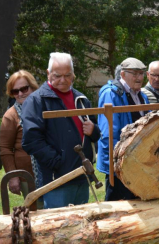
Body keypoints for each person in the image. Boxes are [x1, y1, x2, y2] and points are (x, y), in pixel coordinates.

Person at [22, 52, 100, 209]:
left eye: (67, 75)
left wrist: (93, 131)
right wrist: (58, 162)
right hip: (56, 180)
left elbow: (96, 132)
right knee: (59, 228)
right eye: (57, 76)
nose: (63, 80)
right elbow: (31, 140)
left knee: (82, 226)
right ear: (48, 73)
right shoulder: (36, 101)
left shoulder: (81, 99)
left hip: (82, 175)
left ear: (73, 75)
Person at [98, 58, 150, 201]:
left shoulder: (142, 95)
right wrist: (115, 165)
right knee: (117, 207)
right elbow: (108, 133)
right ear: (122, 74)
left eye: (141, 73)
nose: (139, 78)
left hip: (139, 161)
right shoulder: (111, 93)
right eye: (134, 73)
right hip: (119, 163)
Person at [0, 70, 40, 202]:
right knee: (36, 215)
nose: (20, 94)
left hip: (51, 172)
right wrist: (13, 176)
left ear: (33, 87)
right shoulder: (10, 116)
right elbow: (5, 149)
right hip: (28, 177)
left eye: (24, 89)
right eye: (15, 91)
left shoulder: (43, 108)